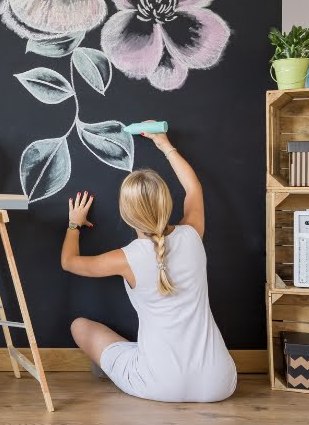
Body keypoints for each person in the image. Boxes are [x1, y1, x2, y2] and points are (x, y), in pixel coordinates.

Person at [59, 127, 236, 403]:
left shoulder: (124, 258)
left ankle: (128, 361)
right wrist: (165, 145)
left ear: (126, 214)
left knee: (80, 326)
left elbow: (69, 262)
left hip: (158, 384)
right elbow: (193, 188)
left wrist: (74, 224)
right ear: (167, 204)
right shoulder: (192, 234)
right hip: (218, 382)